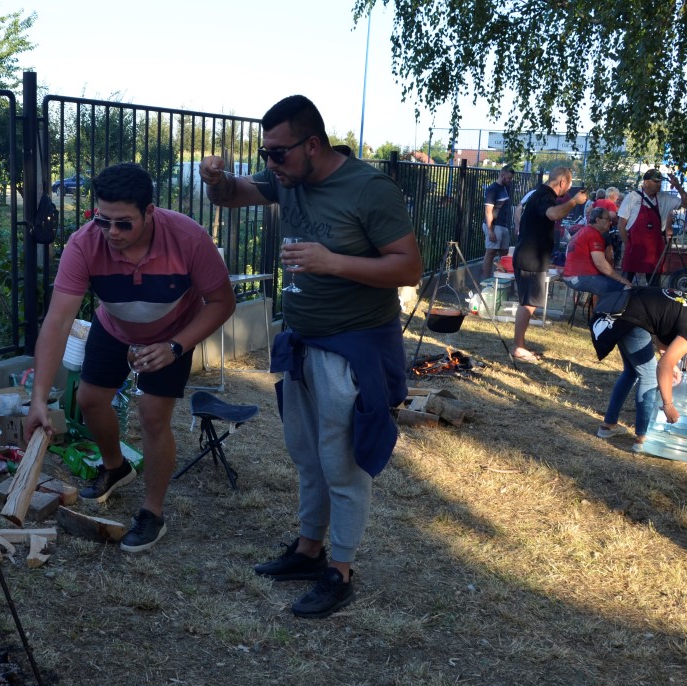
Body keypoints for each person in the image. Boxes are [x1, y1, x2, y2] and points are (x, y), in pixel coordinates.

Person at [199, 95, 421, 619]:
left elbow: (409, 267)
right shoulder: (287, 177)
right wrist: (215, 179)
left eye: (278, 153)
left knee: (342, 464)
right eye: (265, 153)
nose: (270, 163)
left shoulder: (369, 189)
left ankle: (340, 570)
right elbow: (232, 196)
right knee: (307, 455)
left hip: (353, 344)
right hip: (302, 340)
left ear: (313, 144)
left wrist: (332, 262)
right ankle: (308, 548)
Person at [23, 162, 235, 553]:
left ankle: (152, 513)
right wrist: (38, 398)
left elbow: (222, 302)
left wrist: (175, 347)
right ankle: (116, 467)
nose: (112, 232)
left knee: (152, 416)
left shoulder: (188, 237)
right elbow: (57, 322)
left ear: (149, 212)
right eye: (102, 220)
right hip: (114, 326)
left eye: (124, 223)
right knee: (89, 400)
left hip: (172, 336)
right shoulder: (84, 243)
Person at [590, 287, 687, 448]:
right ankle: (644, 437)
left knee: (631, 371)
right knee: (649, 376)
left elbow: (663, 327)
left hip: (619, 309)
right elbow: (663, 366)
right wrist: (668, 405)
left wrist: (671, 364)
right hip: (628, 318)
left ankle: (609, 426)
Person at [509, 166, 587, 364]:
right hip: (530, 258)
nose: (568, 190)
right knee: (528, 303)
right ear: (562, 182)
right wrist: (574, 201)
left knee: (530, 302)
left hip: (532, 256)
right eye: (568, 185)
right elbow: (553, 214)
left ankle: (520, 345)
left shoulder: (539, 194)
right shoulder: (544, 196)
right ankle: (518, 347)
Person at [618, 169, 687, 284]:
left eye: (660, 182)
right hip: (634, 248)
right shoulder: (632, 197)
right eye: (656, 182)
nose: (659, 184)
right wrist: (628, 245)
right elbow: (621, 225)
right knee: (625, 283)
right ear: (646, 182)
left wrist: (678, 186)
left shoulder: (665, 198)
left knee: (654, 285)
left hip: (653, 250)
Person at [561, 206, 631, 297]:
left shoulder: (584, 231)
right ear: (598, 220)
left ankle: (602, 306)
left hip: (574, 276)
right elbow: (600, 263)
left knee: (614, 287)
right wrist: (621, 279)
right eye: (608, 219)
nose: (610, 222)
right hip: (581, 277)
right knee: (625, 289)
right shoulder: (593, 234)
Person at [482, 165, 514, 277]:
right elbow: (488, 211)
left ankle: (502, 279)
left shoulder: (505, 188)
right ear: (502, 175)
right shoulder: (492, 189)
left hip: (503, 225)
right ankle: (486, 280)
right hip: (494, 225)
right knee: (490, 252)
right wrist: (490, 230)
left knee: (504, 253)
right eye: (509, 178)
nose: (510, 181)